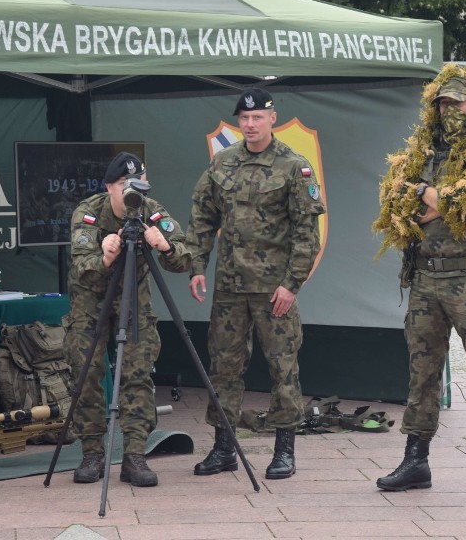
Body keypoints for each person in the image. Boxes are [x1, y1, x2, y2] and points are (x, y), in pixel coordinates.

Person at [372, 64, 466, 504]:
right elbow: (399, 208)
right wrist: (434, 196)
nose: (448, 111)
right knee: (421, 373)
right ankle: (416, 460)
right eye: (442, 103)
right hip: (425, 278)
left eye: (456, 103)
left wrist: (423, 192)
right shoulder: (424, 154)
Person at [185, 88, 325, 480]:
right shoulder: (222, 164)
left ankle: (284, 450)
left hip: (273, 290)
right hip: (229, 288)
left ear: (272, 119)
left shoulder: (293, 167)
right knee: (224, 367)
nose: (249, 124)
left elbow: (305, 233)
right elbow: (201, 218)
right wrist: (197, 265)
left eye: (257, 118)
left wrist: (291, 284)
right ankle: (223, 447)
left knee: (283, 367)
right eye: (243, 119)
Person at [64, 151, 190, 487]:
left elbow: (184, 257)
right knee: (87, 373)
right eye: (124, 184)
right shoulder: (88, 213)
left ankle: (135, 455)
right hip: (91, 300)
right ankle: (92, 452)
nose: (133, 191)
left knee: (137, 375)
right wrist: (104, 256)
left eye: (138, 183)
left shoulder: (151, 211)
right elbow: (80, 267)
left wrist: (165, 247)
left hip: (134, 300)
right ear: (109, 187)